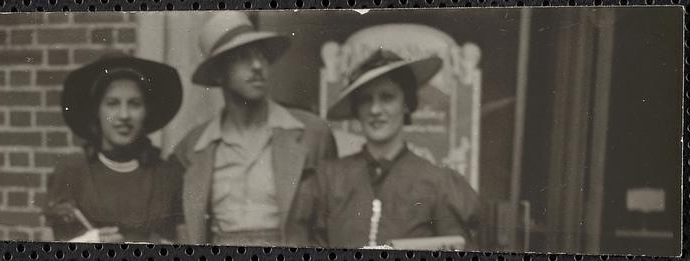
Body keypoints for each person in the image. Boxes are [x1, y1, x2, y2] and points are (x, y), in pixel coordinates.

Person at [172, 11, 338, 246]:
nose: (258, 65)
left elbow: (329, 227)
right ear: (219, 73)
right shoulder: (193, 148)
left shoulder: (312, 135)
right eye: (242, 57)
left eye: (261, 55)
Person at [289, 49, 481, 249]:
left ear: (406, 104)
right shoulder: (327, 180)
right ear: (356, 109)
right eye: (366, 99)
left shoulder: (439, 184)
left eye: (387, 97)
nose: (375, 110)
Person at [43, 55, 184, 243]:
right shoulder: (70, 172)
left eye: (134, 104)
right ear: (97, 110)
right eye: (112, 104)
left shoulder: (168, 176)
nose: (124, 115)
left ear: (146, 111)